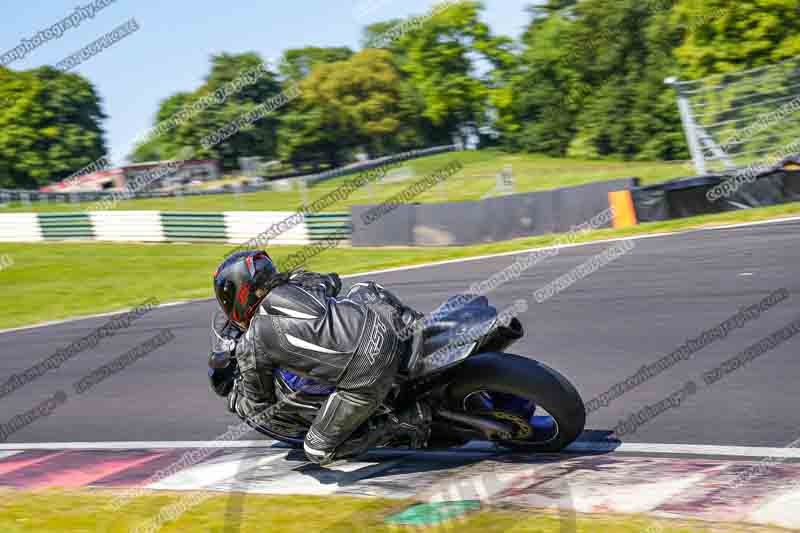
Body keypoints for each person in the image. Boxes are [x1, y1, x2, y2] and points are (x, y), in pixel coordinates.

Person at [211, 250, 430, 465]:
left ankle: (403, 422)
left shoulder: (252, 339)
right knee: (362, 290)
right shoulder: (299, 282)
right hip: (386, 328)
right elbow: (332, 281)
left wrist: (238, 402)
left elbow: (261, 403)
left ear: (240, 292)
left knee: (316, 449)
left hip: (368, 372)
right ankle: (419, 325)